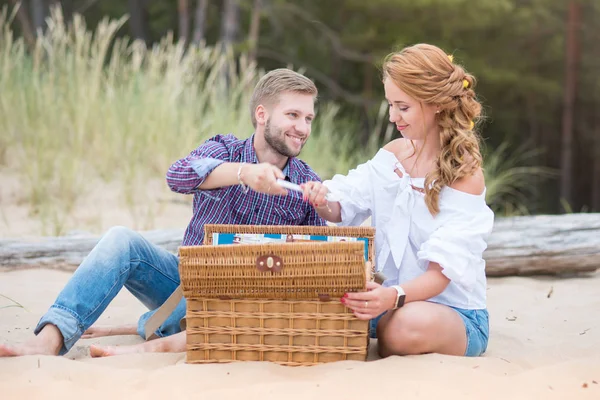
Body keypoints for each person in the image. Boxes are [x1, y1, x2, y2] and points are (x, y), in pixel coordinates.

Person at [0, 68, 326, 358]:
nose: (302, 128)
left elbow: (317, 262)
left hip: (243, 300)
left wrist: (323, 205)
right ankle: (51, 338)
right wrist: (244, 173)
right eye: (293, 115)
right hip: (184, 282)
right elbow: (179, 175)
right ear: (261, 114)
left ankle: (154, 329)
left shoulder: (305, 182)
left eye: (308, 119)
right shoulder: (225, 150)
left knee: (237, 310)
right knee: (120, 240)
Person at [302, 44, 494, 358]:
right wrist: (321, 199)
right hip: (391, 302)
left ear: (435, 104)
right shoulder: (393, 155)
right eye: (390, 105)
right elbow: (342, 206)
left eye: (402, 107)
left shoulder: (465, 177)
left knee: (401, 331)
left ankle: (386, 323)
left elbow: (440, 275)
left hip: (450, 311)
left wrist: (392, 297)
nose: (393, 117)